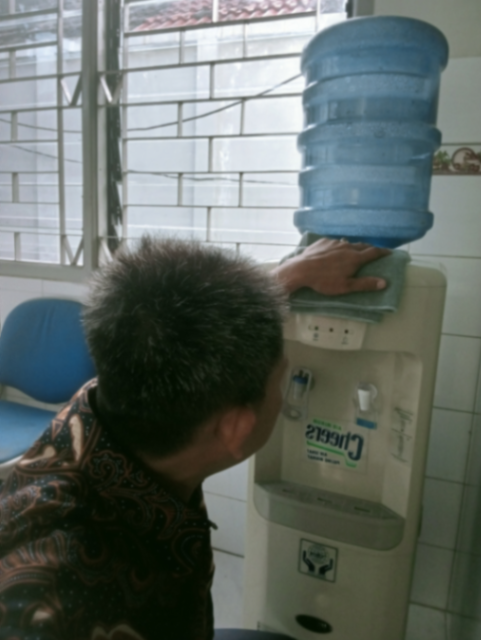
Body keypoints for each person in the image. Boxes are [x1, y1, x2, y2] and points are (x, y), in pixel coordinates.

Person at [0, 236, 389, 640]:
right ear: (235, 427)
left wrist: (284, 279)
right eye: (281, 381)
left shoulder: (108, 396)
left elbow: (177, 326)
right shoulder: (58, 601)